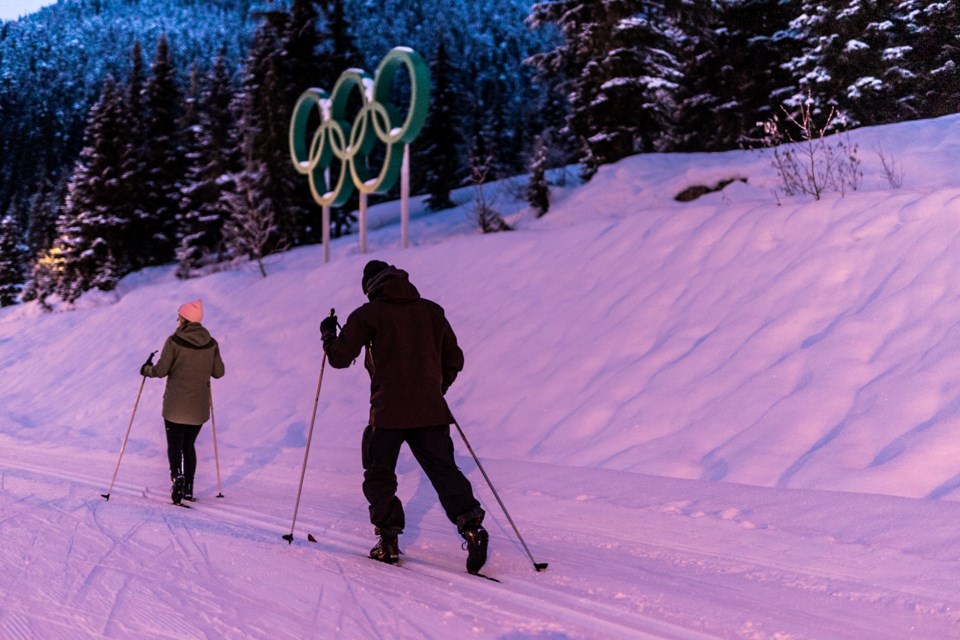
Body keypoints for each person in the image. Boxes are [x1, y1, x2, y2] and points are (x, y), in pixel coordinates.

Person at [320, 260, 488, 574]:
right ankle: (472, 527)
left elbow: (340, 359)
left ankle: (388, 542)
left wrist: (329, 336)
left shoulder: (368, 314)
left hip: (387, 413)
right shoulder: (432, 311)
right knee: (444, 471)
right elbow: (455, 359)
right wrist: (436, 389)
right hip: (430, 410)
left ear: (370, 288)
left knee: (379, 474)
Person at [141, 299, 225, 505]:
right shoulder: (211, 343)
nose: (177, 319)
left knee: (174, 445)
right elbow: (219, 372)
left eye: (179, 316)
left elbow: (160, 371)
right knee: (189, 445)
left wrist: (146, 369)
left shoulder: (174, 341)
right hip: (198, 408)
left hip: (174, 407)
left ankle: (176, 475)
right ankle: (188, 487)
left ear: (184, 319)